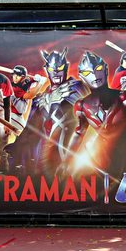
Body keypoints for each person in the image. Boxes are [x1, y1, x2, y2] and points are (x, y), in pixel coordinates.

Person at [60, 51, 126, 176]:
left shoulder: (124, 98)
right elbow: (78, 133)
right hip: (107, 161)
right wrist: (66, 162)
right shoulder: (82, 106)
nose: (94, 74)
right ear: (82, 76)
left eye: (98, 69)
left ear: (105, 70)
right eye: (87, 73)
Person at [34, 48, 90, 176]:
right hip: (45, 147)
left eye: (59, 69)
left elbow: (88, 112)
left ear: (65, 68)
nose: (56, 73)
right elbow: (33, 125)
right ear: (47, 70)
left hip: (68, 143)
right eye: (52, 69)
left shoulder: (76, 86)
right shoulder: (44, 95)